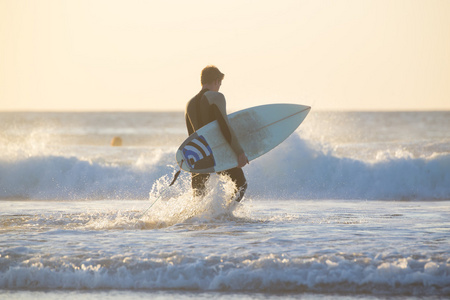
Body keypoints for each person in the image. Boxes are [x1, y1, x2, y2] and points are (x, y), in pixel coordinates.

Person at [185, 65, 249, 202]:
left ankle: (198, 220)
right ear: (216, 81)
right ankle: (224, 214)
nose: (219, 86)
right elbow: (225, 127)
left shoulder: (189, 104)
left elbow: (191, 137)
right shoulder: (216, 97)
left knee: (199, 197)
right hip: (218, 152)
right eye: (220, 83)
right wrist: (239, 152)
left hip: (199, 156)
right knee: (241, 184)